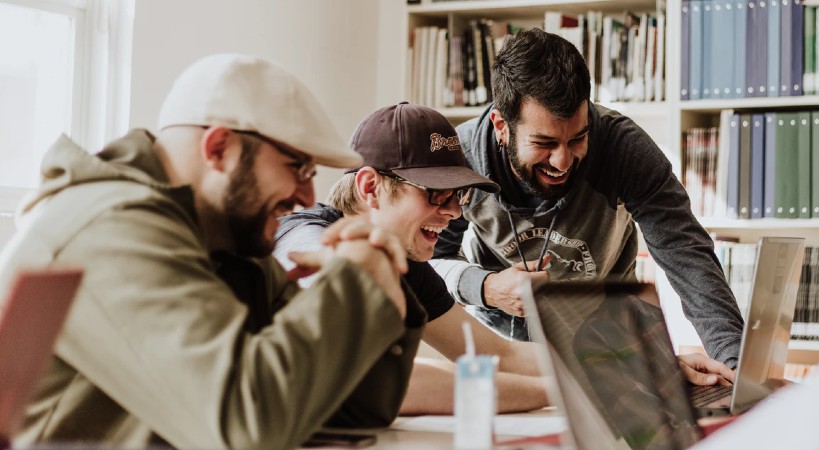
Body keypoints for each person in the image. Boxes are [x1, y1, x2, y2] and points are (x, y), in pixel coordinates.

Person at [0, 54, 426, 450]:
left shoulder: (226, 241)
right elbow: (244, 426)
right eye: (297, 167)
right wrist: (355, 282)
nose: (307, 195)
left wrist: (380, 283)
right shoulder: (112, 229)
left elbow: (350, 409)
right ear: (219, 148)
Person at [274, 102, 733, 416]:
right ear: (371, 187)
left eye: (459, 196)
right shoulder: (307, 240)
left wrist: (642, 367)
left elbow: (496, 354)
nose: (454, 212)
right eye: (436, 194)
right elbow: (382, 380)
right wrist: (590, 390)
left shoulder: (405, 263)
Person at [430, 28, 745, 369]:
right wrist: (485, 287)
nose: (562, 161)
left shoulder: (624, 148)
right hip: (503, 350)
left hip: (610, 344)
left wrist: (734, 365)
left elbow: (687, 255)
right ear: (501, 126)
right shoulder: (461, 160)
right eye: (545, 143)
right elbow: (430, 261)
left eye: (578, 138)